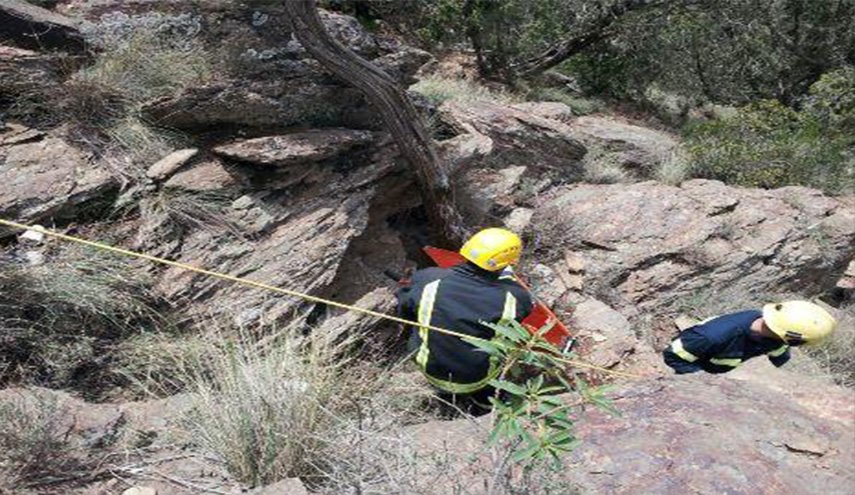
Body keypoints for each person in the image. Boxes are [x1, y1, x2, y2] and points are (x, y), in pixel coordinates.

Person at [396, 228, 534, 414]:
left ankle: (447, 402)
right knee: (502, 342)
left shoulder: (428, 279)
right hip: (477, 379)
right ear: (506, 264)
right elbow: (519, 319)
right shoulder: (515, 297)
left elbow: (405, 311)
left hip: (432, 371)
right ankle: (485, 408)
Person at [663, 300, 837, 374]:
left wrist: (778, 363)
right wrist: (700, 380)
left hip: (720, 369)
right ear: (792, 338)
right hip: (700, 372)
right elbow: (672, 356)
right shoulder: (713, 336)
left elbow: (779, 349)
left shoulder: (774, 331)